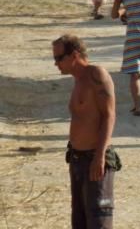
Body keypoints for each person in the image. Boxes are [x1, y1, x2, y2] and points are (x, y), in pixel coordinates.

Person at [52, 34, 121, 229]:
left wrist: (99, 157)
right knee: (80, 221)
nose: (56, 64)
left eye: (59, 58)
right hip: (77, 160)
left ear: (74, 55)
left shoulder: (96, 75)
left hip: (95, 160)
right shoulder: (78, 80)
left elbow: (109, 116)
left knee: (99, 221)